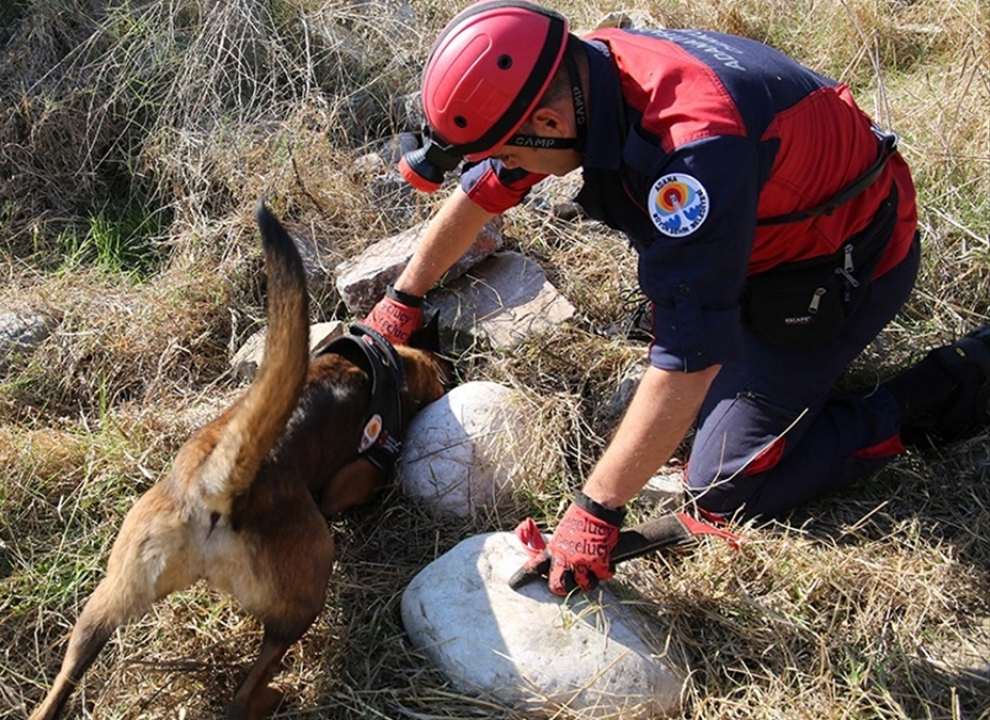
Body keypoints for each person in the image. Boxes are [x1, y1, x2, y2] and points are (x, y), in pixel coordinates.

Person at [360, 0, 990, 595]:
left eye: (515, 150)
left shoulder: (695, 150)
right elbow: (482, 192)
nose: (513, 165)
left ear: (549, 124)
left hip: (839, 264)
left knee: (727, 484)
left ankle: (934, 390)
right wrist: (403, 297)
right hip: (755, 239)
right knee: (690, 396)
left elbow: (689, 355)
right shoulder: (579, 77)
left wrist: (596, 508)